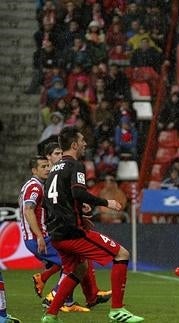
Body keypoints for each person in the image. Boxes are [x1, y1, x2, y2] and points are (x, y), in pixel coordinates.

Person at [41, 126, 143, 323]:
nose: (85, 144)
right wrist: (107, 203)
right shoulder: (75, 166)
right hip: (73, 232)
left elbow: (56, 200)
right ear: (74, 144)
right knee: (122, 254)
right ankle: (117, 310)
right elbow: (78, 192)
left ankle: (51, 315)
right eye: (82, 141)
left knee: (78, 270)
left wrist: (79, 210)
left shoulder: (53, 170)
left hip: (57, 233)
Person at [20, 155, 110, 313]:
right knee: (75, 263)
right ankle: (56, 298)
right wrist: (39, 236)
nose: (48, 169)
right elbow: (28, 210)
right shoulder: (35, 186)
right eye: (43, 166)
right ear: (34, 170)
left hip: (45, 235)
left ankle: (67, 297)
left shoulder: (42, 185)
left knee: (75, 261)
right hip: (40, 237)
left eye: (48, 166)